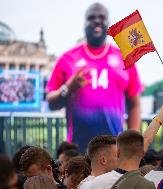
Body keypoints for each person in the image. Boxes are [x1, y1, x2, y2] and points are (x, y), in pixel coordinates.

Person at [46, 2, 143, 153]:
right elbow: (51, 103)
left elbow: (135, 103)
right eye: (91, 17)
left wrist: (133, 143)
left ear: (108, 24)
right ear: (84, 24)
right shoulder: (67, 58)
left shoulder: (124, 57)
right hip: (77, 150)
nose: (97, 20)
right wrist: (68, 88)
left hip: (115, 149)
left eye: (102, 17)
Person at [82, 85, 163, 189]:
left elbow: (146, 139)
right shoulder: (144, 184)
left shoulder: (88, 185)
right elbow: (146, 140)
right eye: (115, 154)